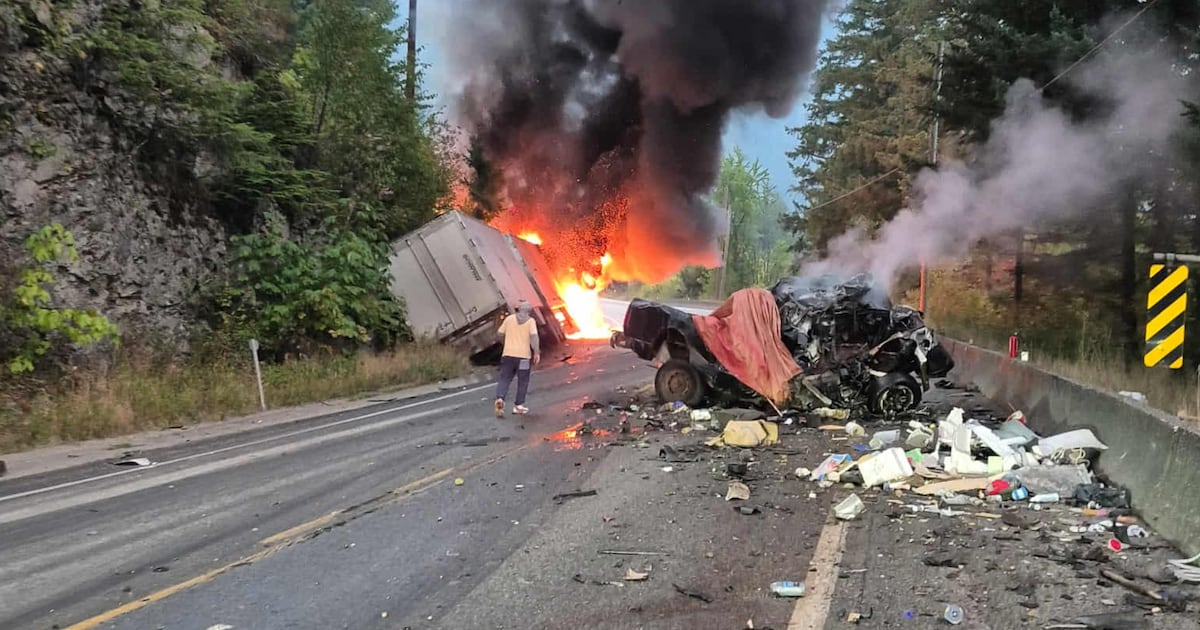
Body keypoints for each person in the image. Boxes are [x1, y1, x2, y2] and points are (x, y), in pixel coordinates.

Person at [494, 301, 540, 417]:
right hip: (524, 357)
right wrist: (536, 352)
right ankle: (518, 406)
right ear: (528, 311)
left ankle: (500, 399)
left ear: (518, 310)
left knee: (505, 378)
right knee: (523, 381)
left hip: (508, 355)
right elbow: (534, 338)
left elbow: (499, 334)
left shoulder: (509, 319)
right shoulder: (530, 321)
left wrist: (505, 343)